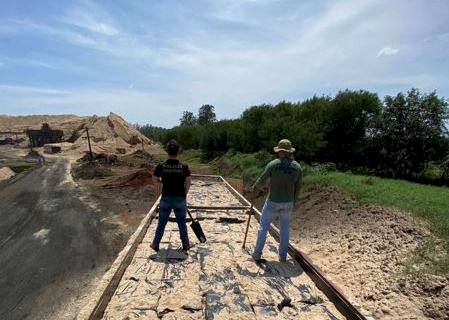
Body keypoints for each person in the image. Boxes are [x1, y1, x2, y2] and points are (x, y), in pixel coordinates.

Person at [252, 139, 302, 262]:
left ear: (280, 151)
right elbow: (298, 187)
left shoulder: (273, 164)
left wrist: (254, 189)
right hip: (288, 202)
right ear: (289, 151)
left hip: (273, 201)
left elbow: (261, 180)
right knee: (284, 229)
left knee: (263, 227)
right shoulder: (297, 167)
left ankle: (257, 253)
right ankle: (282, 256)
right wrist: (293, 202)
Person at [151, 140, 191, 252]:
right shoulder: (184, 166)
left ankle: (155, 244)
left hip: (166, 198)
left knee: (161, 223)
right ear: (178, 151)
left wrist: (162, 183)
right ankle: (186, 245)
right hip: (180, 198)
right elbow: (188, 182)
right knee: (182, 224)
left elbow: (154, 179)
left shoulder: (161, 166)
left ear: (167, 151)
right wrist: (184, 194)